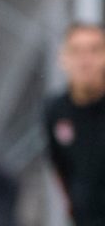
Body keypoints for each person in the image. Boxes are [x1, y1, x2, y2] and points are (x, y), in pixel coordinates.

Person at [44, 23, 105, 225]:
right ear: (63, 58)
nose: (85, 60)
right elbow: (59, 166)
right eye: (76, 51)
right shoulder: (55, 111)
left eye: (94, 50)